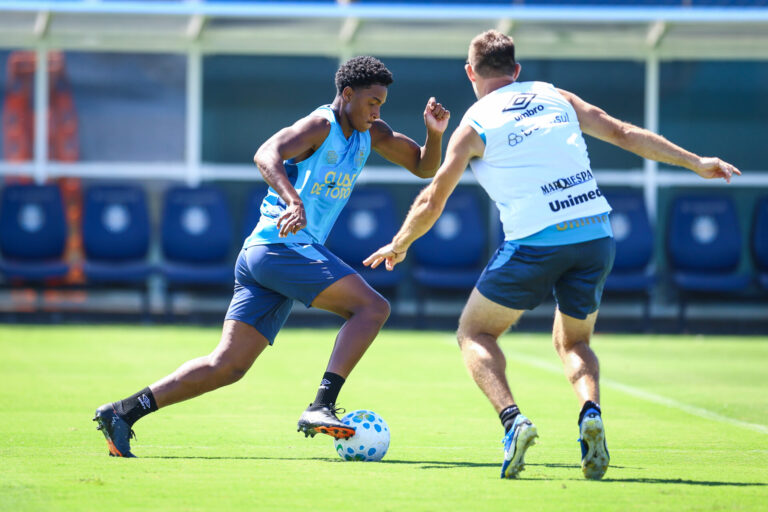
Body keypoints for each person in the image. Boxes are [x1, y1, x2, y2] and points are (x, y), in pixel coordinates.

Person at [364, 30, 740, 480]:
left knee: (474, 333)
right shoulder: (553, 95)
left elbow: (432, 199)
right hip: (595, 233)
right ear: (516, 70)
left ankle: (513, 422)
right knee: (575, 343)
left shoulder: (474, 123)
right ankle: (590, 412)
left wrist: (401, 242)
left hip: (536, 240)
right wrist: (696, 162)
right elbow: (622, 132)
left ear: (470, 73)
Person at [93, 56, 450, 457]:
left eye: (381, 104)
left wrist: (434, 134)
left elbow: (424, 166)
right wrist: (293, 200)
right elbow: (266, 153)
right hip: (280, 249)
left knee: (227, 366)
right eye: (371, 102)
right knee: (373, 308)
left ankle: (123, 412)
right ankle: (321, 404)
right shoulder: (320, 126)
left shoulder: (372, 132)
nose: (376, 112)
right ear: (348, 94)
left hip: (266, 255)